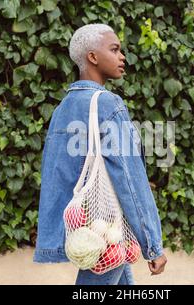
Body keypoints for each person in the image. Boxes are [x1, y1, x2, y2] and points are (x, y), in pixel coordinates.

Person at [33, 23, 167, 285]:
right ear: (92, 57)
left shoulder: (63, 108)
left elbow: (55, 174)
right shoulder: (108, 104)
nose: (122, 56)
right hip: (107, 232)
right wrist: (152, 243)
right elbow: (129, 177)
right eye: (115, 49)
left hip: (86, 229)